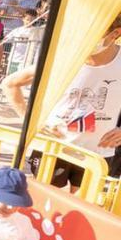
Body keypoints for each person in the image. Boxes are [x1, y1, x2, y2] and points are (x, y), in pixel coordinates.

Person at [37, 14, 121, 180]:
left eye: (95, 34)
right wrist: (37, 122)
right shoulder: (65, 56)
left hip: (98, 152)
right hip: (56, 146)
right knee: (46, 200)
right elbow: (11, 84)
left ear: (115, 34)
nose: (87, 39)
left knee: (85, 204)